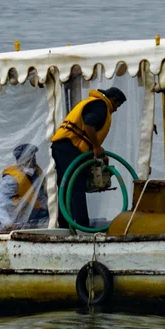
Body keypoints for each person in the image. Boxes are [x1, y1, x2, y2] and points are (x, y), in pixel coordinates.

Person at [50, 87, 126, 228]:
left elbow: (84, 138)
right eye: (117, 105)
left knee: (65, 185)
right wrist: (97, 147)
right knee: (75, 184)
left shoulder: (93, 103)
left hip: (61, 146)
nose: (116, 109)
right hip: (69, 146)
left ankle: (66, 225)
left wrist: (98, 153)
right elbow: (89, 125)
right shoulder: (101, 105)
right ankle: (82, 225)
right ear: (113, 100)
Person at [0, 143, 48, 231]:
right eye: (30, 156)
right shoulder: (11, 180)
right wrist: (9, 224)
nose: (33, 158)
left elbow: (44, 197)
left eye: (33, 155)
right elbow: (2, 205)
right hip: (20, 219)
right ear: (21, 159)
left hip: (39, 216)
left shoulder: (37, 174)